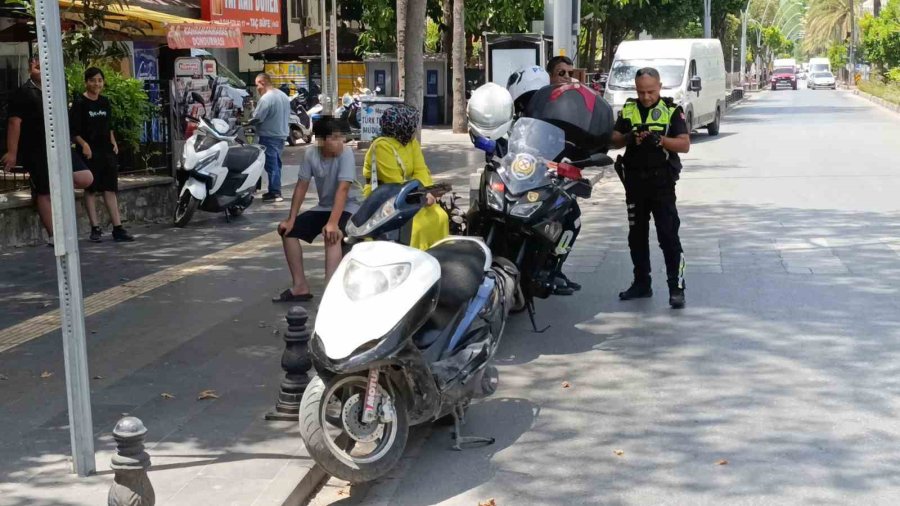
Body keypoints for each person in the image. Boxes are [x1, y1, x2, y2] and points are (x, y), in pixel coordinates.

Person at [610, 67, 690, 309]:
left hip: (662, 184)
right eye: (641, 91)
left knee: (668, 235)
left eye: (650, 92)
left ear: (660, 87)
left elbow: (684, 145)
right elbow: (612, 139)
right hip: (634, 183)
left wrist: (661, 140)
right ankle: (641, 283)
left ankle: (676, 288)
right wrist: (628, 138)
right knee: (637, 236)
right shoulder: (629, 109)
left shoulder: (671, 110)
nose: (646, 97)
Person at [2, 57, 93, 245]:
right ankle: (55, 236)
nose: (41, 69)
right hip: (36, 149)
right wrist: (12, 152)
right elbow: (14, 123)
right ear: (29, 69)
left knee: (85, 177)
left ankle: (51, 189)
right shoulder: (23, 93)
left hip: (60, 146)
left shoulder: (55, 90)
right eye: (36, 66)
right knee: (44, 192)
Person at [274, 118, 361, 302]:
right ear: (321, 140)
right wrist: (291, 219)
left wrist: (332, 223)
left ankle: (331, 292)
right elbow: (301, 186)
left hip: (349, 207)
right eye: (335, 138)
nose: (341, 142)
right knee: (287, 232)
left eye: (341, 137)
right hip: (324, 207)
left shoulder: (346, 154)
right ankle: (300, 286)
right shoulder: (310, 154)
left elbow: (343, 190)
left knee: (332, 235)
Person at [362, 104, 448, 251]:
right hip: (387, 198)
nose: (414, 128)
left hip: (415, 194)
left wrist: (427, 192)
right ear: (402, 126)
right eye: (412, 124)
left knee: (441, 217)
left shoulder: (411, 142)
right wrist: (420, 195)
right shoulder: (381, 146)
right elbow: (393, 181)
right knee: (417, 225)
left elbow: (421, 170)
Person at [70, 67, 134, 242]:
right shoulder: (79, 103)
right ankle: (95, 228)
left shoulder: (105, 102)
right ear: (86, 82)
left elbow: (108, 126)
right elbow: (73, 130)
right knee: (90, 190)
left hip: (106, 151)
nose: (96, 83)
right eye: (92, 80)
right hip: (89, 152)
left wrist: (113, 142)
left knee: (110, 189)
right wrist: (84, 145)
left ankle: (118, 228)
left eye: (99, 80)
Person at [249, 72, 291, 202]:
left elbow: (257, 117)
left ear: (262, 82)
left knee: (271, 165)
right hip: (281, 135)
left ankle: (275, 192)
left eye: (257, 85)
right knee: (276, 163)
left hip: (269, 135)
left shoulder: (267, 98)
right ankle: (274, 189)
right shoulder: (282, 95)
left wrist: (248, 120)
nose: (257, 88)